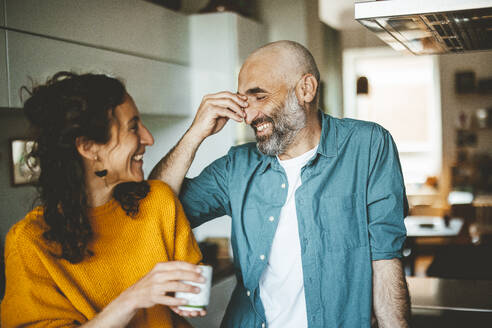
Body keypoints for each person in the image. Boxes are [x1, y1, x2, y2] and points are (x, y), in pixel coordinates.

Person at [150, 40, 410, 327]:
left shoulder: (368, 146)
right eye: (243, 101)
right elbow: (153, 211)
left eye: (259, 97)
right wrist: (195, 133)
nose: (247, 115)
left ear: (306, 89)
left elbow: (385, 260)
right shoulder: (237, 166)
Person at [1, 72, 207, 327]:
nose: (148, 139)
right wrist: (132, 298)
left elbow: (178, 313)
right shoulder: (30, 242)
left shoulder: (159, 202)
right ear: (89, 147)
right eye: (133, 127)